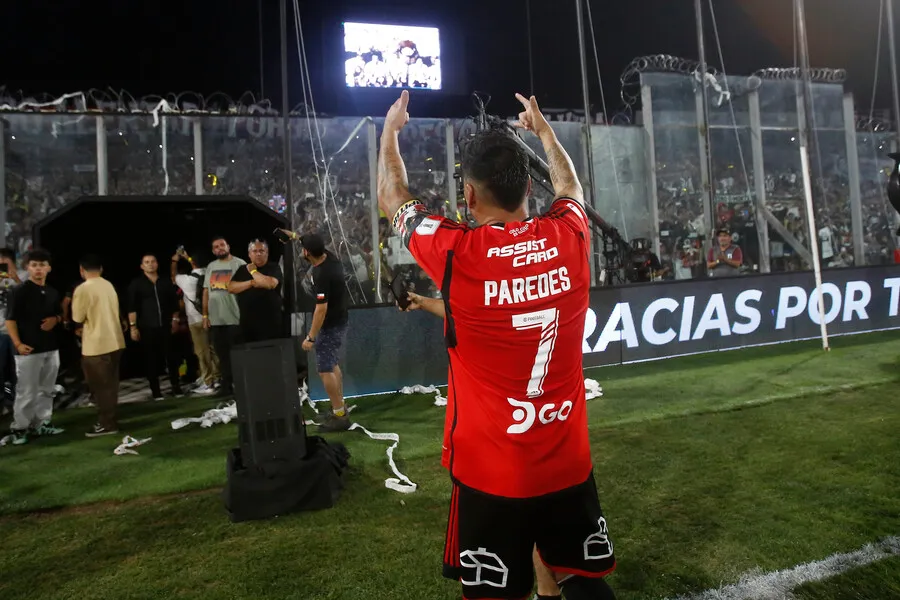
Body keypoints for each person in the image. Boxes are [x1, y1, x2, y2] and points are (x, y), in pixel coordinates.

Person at [378, 91, 616, 600]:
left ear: (467, 195)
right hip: (566, 459)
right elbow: (571, 186)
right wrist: (544, 132)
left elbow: (392, 197)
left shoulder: (455, 252)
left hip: (491, 471)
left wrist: (390, 132)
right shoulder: (570, 234)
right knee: (581, 578)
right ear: (529, 186)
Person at [281, 229, 351, 432]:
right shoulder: (330, 257)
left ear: (306, 253)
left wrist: (310, 337)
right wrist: (293, 236)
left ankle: (339, 415)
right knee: (332, 363)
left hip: (330, 324)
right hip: (338, 320)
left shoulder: (321, 274)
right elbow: (307, 240)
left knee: (325, 369)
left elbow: (321, 309)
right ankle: (339, 407)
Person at [5, 249, 64, 445]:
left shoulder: (53, 291)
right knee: (27, 391)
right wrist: (18, 344)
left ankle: (41, 423)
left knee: (47, 390)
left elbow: (59, 314)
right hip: (28, 349)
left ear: (49, 268)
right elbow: (10, 320)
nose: (38, 269)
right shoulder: (18, 291)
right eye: (34, 265)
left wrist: (56, 319)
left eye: (42, 265)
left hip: (51, 348)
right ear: (27, 268)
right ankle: (20, 428)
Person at [71, 255, 126, 437]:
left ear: (82, 270)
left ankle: (107, 424)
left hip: (96, 345)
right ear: (101, 268)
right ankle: (110, 420)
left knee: (100, 387)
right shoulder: (108, 285)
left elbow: (77, 317)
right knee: (111, 386)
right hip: (116, 340)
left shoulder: (82, 289)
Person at [127, 254, 183, 400]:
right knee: (151, 360)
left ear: (157, 264)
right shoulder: (136, 284)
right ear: (142, 266)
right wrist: (133, 327)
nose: (150, 264)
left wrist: (175, 319)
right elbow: (132, 308)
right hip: (147, 327)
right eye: (147, 262)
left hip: (166, 325)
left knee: (171, 357)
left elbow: (174, 303)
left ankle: (176, 387)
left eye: (153, 261)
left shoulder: (165, 282)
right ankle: (156, 391)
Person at [202, 236, 245, 397]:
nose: (219, 248)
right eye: (216, 247)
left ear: (228, 246)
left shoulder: (239, 264)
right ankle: (226, 387)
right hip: (216, 320)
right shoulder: (211, 266)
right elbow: (206, 291)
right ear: (213, 251)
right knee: (222, 356)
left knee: (237, 355)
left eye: (222, 245)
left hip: (235, 318)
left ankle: (241, 385)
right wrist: (205, 315)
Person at [171, 248, 218, 395]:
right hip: (213, 318)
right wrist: (189, 258)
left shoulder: (187, 280)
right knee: (213, 349)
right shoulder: (210, 275)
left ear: (193, 263)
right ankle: (218, 378)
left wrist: (175, 260)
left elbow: (173, 276)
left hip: (196, 320)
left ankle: (208, 382)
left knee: (202, 352)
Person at [227, 239, 284, 343]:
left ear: (267, 253)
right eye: (255, 251)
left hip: (271, 323)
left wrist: (253, 271)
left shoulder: (274, 267)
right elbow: (231, 288)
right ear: (249, 254)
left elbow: (270, 284)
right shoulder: (242, 269)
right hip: (247, 323)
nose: (258, 254)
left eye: (261, 251)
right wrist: (251, 283)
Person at [0, 248, 21, 412]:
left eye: (3, 261)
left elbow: (31, 298)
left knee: (18, 370)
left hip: (17, 332)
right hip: (0, 331)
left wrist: (16, 279)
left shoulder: (24, 276)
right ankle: (4, 402)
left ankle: (19, 402)